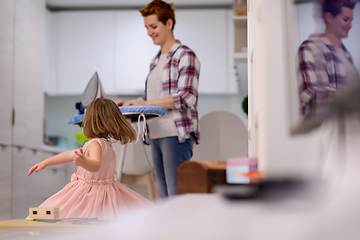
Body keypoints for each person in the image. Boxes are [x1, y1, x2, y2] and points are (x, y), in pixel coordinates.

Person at [116, 0, 200, 198]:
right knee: (164, 196)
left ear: (169, 24)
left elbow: (187, 97)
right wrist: (130, 103)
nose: (149, 32)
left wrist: (144, 104)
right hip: (155, 134)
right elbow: (152, 97)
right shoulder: (155, 60)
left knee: (176, 196)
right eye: (146, 27)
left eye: (153, 26)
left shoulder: (185, 55)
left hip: (175, 133)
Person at [28, 98, 152, 220]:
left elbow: (95, 165)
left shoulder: (95, 144)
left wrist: (84, 162)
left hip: (89, 192)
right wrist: (46, 162)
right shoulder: (106, 144)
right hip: (105, 190)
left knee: (72, 215)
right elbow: (69, 154)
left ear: (89, 121)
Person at [297, 0, 359, 119]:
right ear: (329, 17)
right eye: (345, 19)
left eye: (351, 20)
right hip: (318, 133)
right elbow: (308, 92)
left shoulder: (347, 55)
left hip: (344, 130)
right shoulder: (309, 49)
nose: (350, 26)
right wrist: (346, 97)